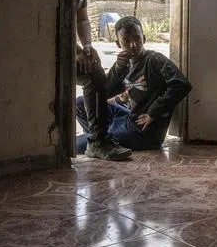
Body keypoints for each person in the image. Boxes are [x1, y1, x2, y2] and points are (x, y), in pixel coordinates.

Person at [75, 16, 192, 153]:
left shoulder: (154, 59)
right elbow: (103, 93)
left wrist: (154, 112)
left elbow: (181, 84)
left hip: (142, 130)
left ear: (144, 38)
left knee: (74, 144)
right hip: (128, 117)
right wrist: (118, 69)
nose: (133, 45)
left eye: (137, 39)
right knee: (80, 104)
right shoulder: (124, 64)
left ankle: (100, 140)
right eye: (126, 41)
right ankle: (101, 139)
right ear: (118, 43)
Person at [74, 0, 132, 161]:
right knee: (94, 76)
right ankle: (97, 142)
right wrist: (77, 51)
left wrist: (88, 47)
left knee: (96, 74)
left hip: (70, 48)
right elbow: (57, 22)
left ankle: (99, 141)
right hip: (47, 50)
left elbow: (82, 19)